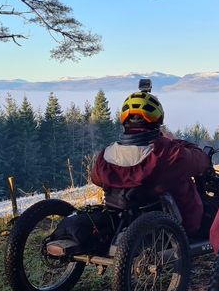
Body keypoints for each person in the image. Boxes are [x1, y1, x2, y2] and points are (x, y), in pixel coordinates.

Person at [90, 91, 211, 236]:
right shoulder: (167, 153)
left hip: (120, 225)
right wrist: (175, 142)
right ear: (157, 119)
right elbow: (201, 161)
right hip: (177, 230)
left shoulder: (106, 155)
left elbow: (96, 179)